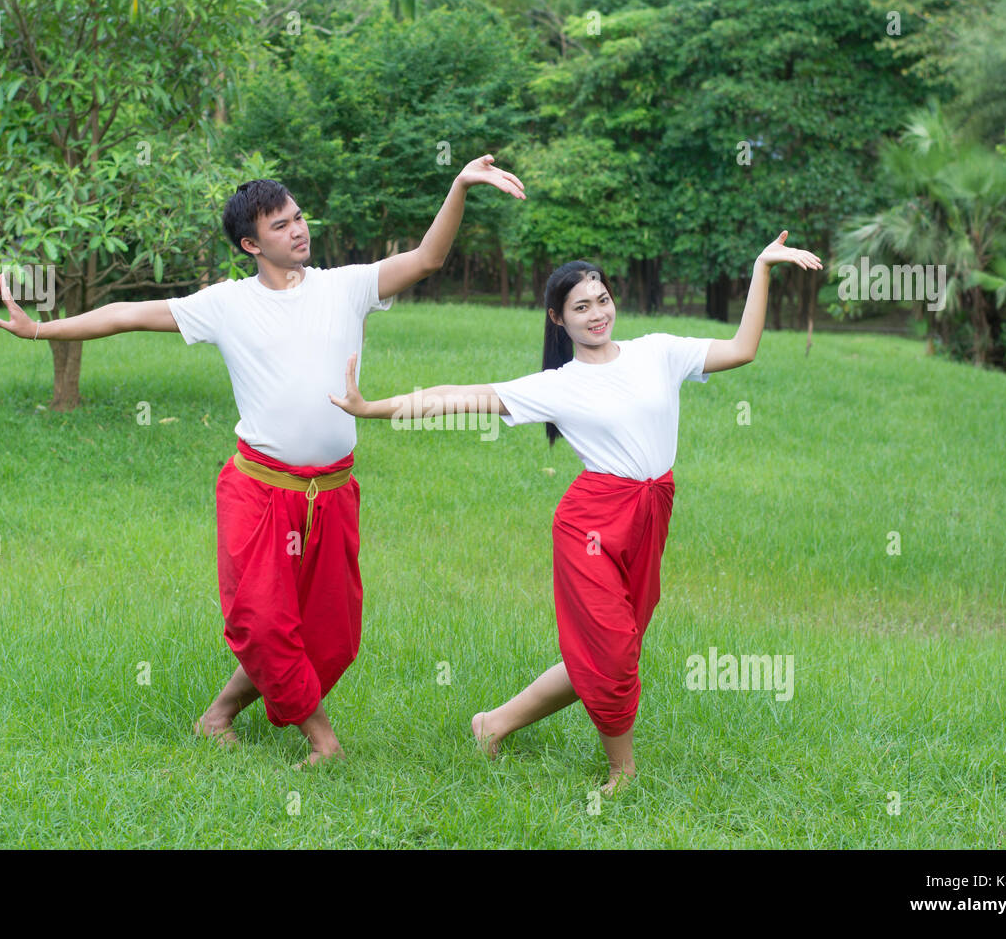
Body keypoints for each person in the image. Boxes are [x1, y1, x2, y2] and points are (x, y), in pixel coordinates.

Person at [0, 155, 526, 768]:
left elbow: (427, 258)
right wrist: (40, 331)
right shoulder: (227, 304)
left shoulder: (345, 286)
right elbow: (126, 316)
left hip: (332, 494)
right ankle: (324, 743)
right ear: (251, 243)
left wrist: (457, 185)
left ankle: (217, 715)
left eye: (299, 218)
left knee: (331, 637)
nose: (298, 230)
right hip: (260, 491)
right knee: (265, 624)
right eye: (281, 225)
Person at [329, 231, 821, 792]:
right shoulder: (558, 386)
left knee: (610, 648)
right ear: (558, 319)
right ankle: (623, 771)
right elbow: (458, 396)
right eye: (581, 307)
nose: (596, 314)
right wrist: (370, 408)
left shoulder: (657, 351)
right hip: (591, 524)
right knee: (611, 650)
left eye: (602, 300)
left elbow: (742, 349)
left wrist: (760, 266)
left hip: (650, 513)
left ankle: (493, 724)